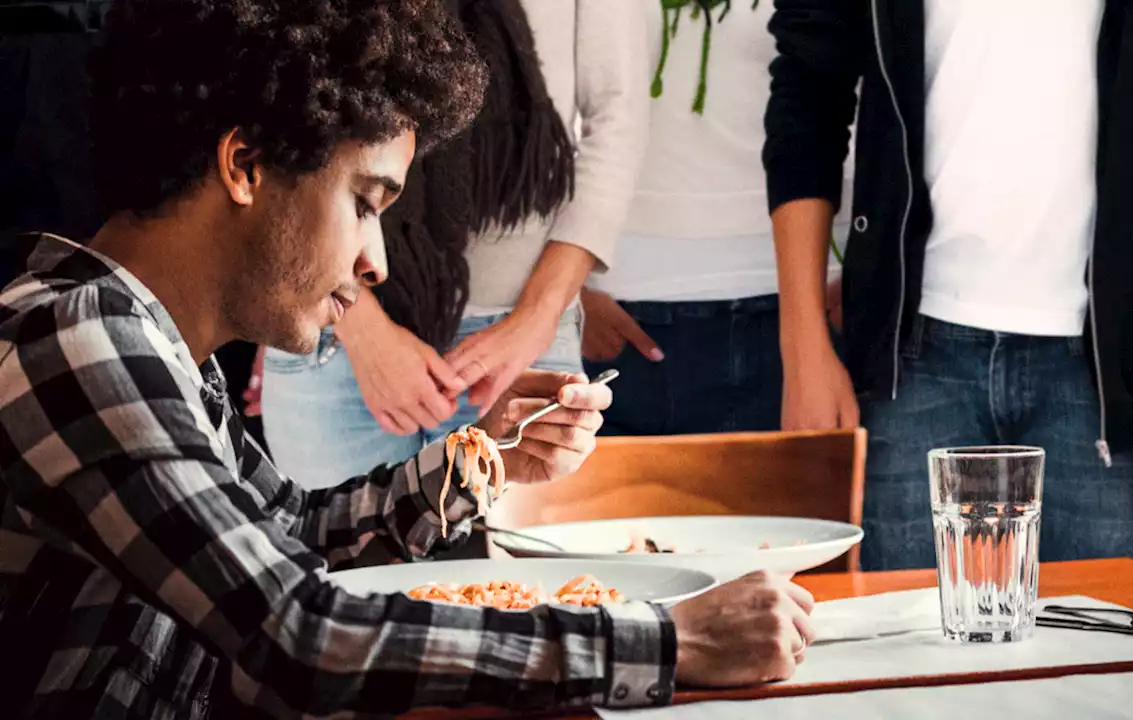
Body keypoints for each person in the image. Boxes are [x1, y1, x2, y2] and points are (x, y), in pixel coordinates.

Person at [0, 1, 815, 716]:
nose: (376, 262)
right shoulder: (76, 342)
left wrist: (481, 461)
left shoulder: (146, 340)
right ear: (245, 166)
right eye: (364, 202)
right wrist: (664, 640)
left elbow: (291, 534)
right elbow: (300, 631)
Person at [764, 0, 1133, 570]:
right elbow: (807, 95)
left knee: (1117, 654)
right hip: (910, 360)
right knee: (907, 651)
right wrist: (801, 346)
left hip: (1117, 375)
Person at [260, 0, 649, 488]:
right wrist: (362, 329)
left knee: (523, 566)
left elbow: (617, 118)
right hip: (335, 335)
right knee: (342, 559)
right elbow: (274, 115)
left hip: (523, 349)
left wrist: (536, 319)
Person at [581, 0, 850, 435]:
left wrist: (875, 280)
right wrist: (568, 297)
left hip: (816, 314)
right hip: (623, 324)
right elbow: (531, 102)